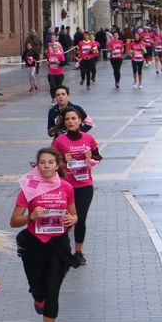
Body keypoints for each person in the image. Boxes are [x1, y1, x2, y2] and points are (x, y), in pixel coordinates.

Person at [10, 149, 78, 322]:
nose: (46, 166)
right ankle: (38, 299)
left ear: (57, 165)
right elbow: (14, 221)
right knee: (39, 290)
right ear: (36, 166)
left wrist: (72, 220)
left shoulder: (66, 187)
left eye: (50, 162)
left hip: (58, 245)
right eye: (42, 162)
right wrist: (31, 216)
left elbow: (74, 214)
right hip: (34, 245)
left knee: (52, 291)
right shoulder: (28, 188)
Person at [50, 109, 101, 267]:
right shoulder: (59, 141)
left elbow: (98, 156)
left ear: (80, 121)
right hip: (65, 186)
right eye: (67, 119)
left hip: (84, 185)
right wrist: (63, 162)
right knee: (65, 219)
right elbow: (50, 162)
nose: (70, 121)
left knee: (80, 218)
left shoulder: (89, 138)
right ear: (64, 122)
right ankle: (62, 251)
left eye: (73, 119)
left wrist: (89, 157)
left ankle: (78, 252)